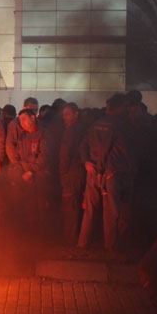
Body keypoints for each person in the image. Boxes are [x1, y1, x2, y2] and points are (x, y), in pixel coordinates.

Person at [78, 94, 134, 253]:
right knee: (110, 212)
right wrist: (103, 171)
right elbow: (108, 150)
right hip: (109, 174)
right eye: (125, 107)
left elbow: (83, 145)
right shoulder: (120, 126)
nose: (127, 110)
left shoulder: (95, 124)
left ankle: (83, 243)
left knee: (89, 210)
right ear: (120, 107)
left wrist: (87, 162)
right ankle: (110, 246)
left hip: (92, 171)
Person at [9, 108, 55, 233]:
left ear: (33, 118)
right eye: (20, 121)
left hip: (40, 177)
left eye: (24, 120)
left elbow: (44, 156)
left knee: (42, 207)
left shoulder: (44, 133)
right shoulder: (23, 136)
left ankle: (44, 236)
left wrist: (32, 171)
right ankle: (31, 235)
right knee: (29, 207)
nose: (22, 123)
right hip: (26, 177)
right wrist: (21, 172)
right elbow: (17, 156)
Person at [59, 103, 87, 245]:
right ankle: (77, 236)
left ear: (76, 114)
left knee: (70, 205)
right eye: (64, 114)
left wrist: (63, 173)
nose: (64, 117)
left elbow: (65, 154)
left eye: (67, 114)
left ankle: (70, 238)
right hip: (81, 171)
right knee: (76, 204)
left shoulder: (70, 131)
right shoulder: (84, 128)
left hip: (71, 172)